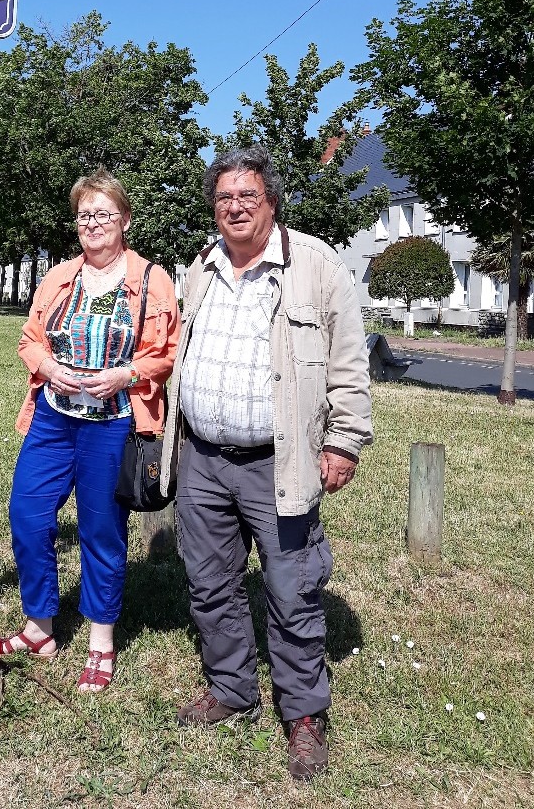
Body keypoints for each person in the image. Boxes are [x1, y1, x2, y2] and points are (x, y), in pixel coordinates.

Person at [163, 146, 372, 779]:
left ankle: (303, 714)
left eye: (247, 197)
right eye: (224, 198)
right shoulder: (197, 268)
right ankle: (231, 687)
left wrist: (343, 440)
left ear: (271, 204)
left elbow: (348, 359)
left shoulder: (314, 265)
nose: (234, 208)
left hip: (279, 463)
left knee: (292, 588)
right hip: (201, 457)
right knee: (209, 582)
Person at [0, 169, 180, 692]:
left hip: (112, 424)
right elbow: (30, 340)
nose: (92, 224)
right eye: (84, 215)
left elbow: (169, 352)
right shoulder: (58, 277)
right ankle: (40, 627)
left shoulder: (150, 279)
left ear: (125, 220)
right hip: (52, 418)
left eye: (103, 215)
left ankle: (100, 641)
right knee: (27, 513)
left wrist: (127, 374)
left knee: (100, 531)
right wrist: (49, 369)